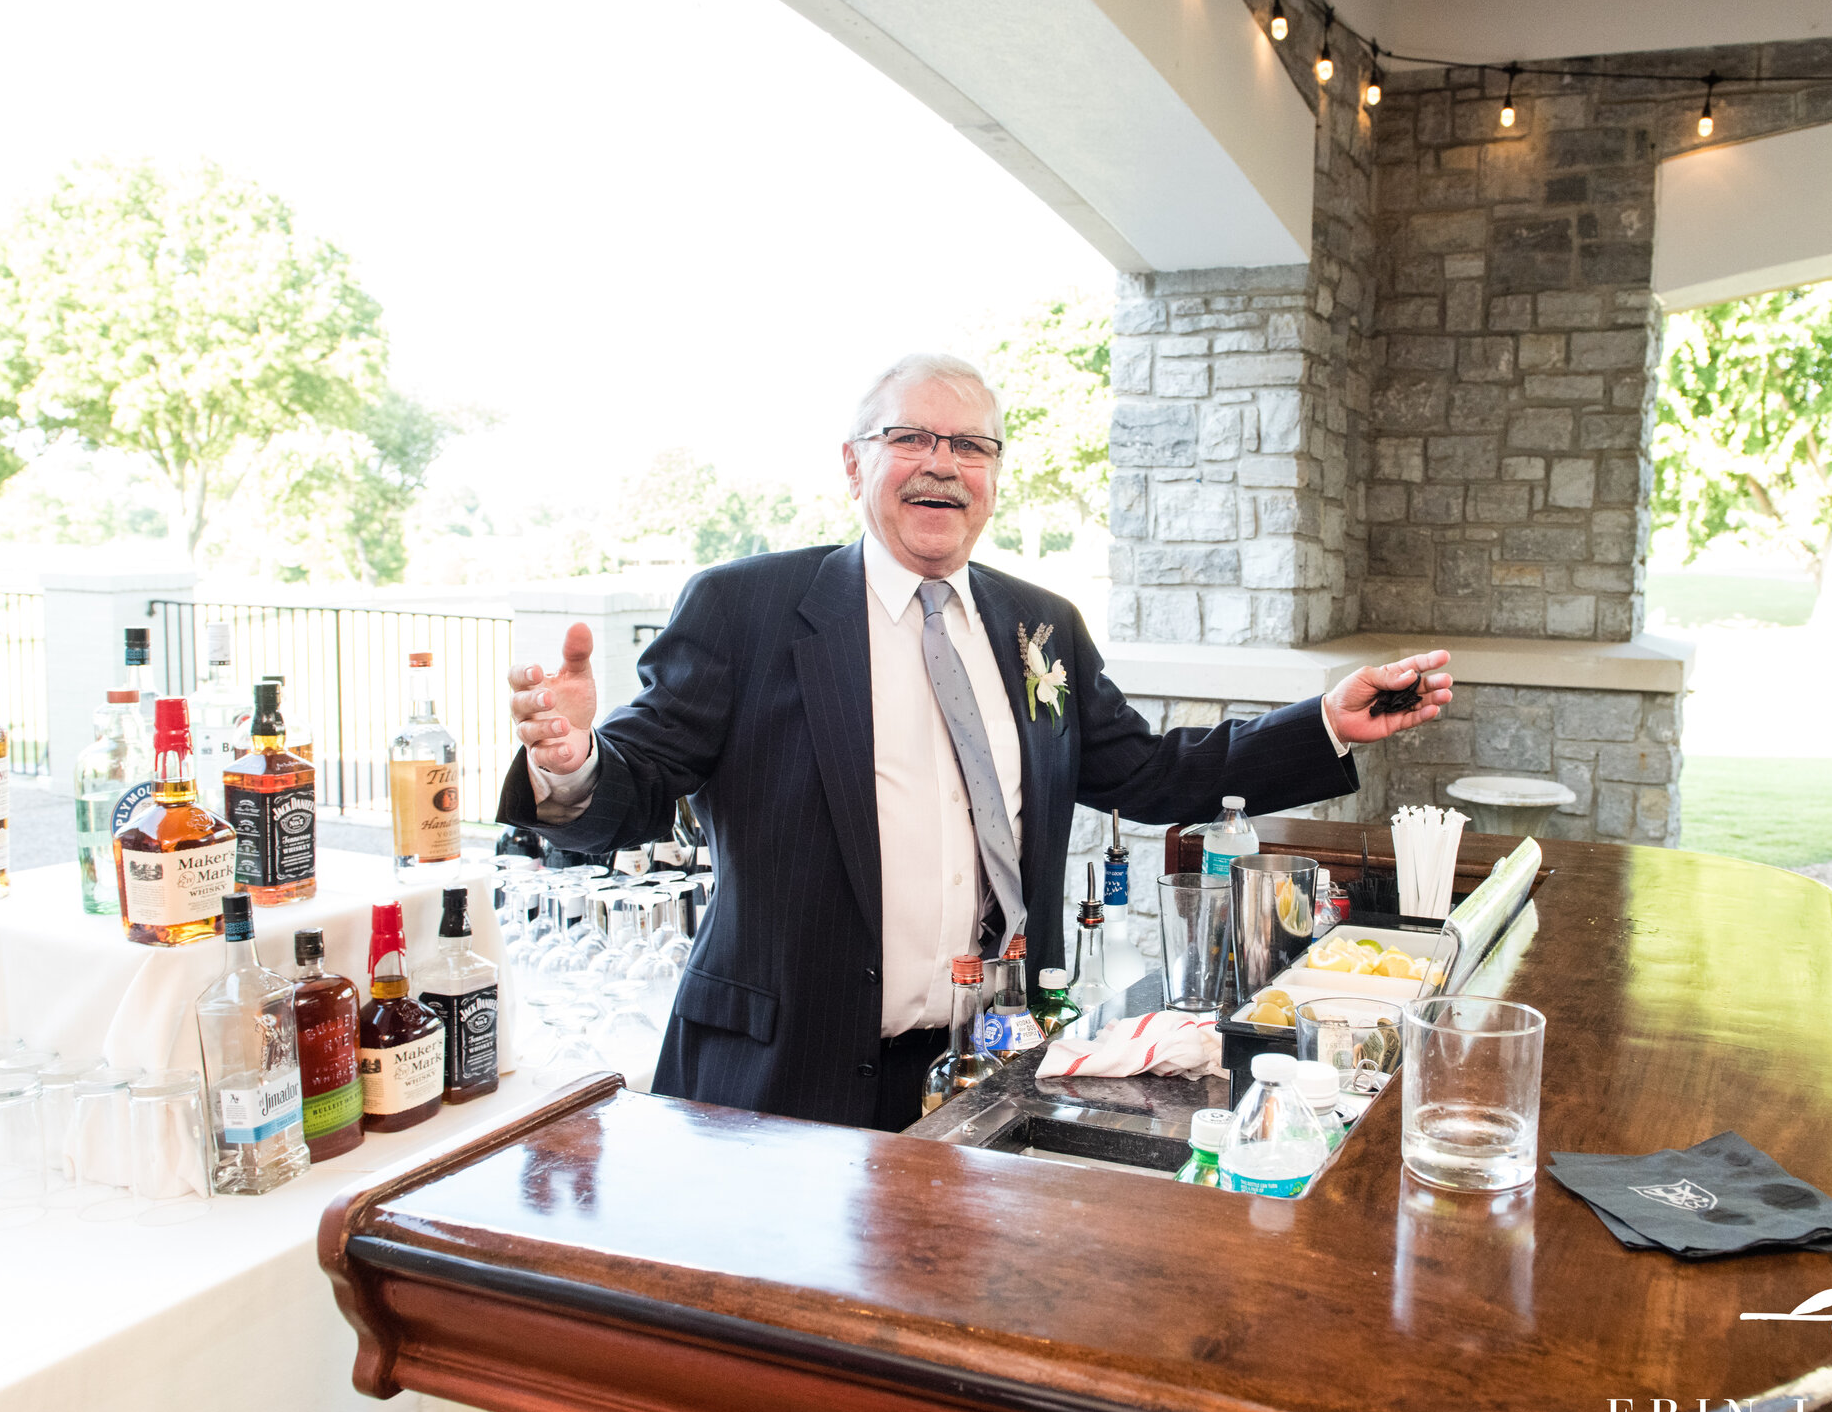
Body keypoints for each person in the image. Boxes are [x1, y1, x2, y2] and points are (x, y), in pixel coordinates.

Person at [500, 352, 1455, 1131]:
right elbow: (635, 785)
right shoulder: (746, 608)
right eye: (910, 437)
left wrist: (1324, 722)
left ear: (994, 475)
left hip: (990, 1071)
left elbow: (1152, 773)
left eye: (970, 445)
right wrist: (573, 762)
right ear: (853, 464)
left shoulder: (1040, 626)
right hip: (780, 1086)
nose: (942, 463)